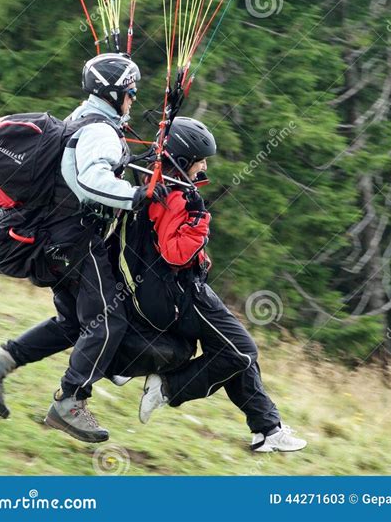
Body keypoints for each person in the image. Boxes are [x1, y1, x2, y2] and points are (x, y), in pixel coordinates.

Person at [0, 53, 167, 444]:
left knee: (74, 324)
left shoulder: (83, 119)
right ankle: (70, 401)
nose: (134, 99)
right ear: (114, 94)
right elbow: (90, 181)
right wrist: (139, 195)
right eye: (131, 92)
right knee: (108, 321)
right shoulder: (99, 132)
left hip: (59, 243)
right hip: (76, 243)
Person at [119, 117, 307, 453]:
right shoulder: (178, 197)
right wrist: (199, 224)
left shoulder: (156, 181)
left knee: (234, 348)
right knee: (241, 350)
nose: (205, 166)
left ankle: (268, 429)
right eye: (201, 160)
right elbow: (175, 254)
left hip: (170, 289)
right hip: (179, 292)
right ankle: (168, 389)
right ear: (184, 159)